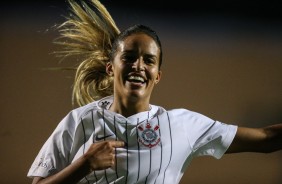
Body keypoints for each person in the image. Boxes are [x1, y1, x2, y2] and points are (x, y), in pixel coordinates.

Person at [27, 0, 282, 183]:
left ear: (157, 76)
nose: (138, 66)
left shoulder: (182, 125)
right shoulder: (78, 121)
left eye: (149, 60)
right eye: (129, 57)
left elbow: (267, 138)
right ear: (110, 68)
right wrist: (85, 164)